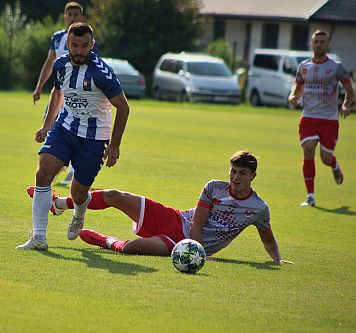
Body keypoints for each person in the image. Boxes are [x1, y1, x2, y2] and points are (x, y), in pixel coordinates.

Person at [26, 151, 293, 264]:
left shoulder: (258, 208)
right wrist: (199, 250)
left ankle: (105, 241)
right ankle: (59, 204)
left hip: (179, 245)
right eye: (233, 171)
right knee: (114, 195)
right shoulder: (214, 187)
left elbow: (267, 237)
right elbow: (197, 223)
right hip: (175, 222)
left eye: (242, 173)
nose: (235, 177)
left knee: (130, 249)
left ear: (252, 176)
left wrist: (278, 260)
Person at [16, 22, 130, 251]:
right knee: (43, 171)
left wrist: (115, 146)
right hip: (65, 127)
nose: (79, 51)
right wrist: (47, 125)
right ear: (67, 44)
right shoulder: (60, 65)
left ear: (92, 45)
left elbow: (124, 107)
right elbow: (58, 93)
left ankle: (79, 211)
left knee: (78, 192)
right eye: (75, 45)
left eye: (84, 46)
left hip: (94, 136)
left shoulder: (102, 73)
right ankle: (39, 237)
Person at [33, 2, 99, 186]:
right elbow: (49, 62)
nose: (72, 18)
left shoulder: (87, 40)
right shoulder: (57, 38)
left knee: (76, 132)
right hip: (59, 93)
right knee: (52, 129)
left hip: (79, 97)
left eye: (76, 15)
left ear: (81, 17)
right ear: (64, 17)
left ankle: (73, 174)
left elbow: (95, 67)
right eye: (69, 15)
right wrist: (39, 87)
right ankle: (56, 167)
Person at [288, 29, 354, 207]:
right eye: (316, 41)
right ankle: (310, 196)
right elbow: (298, 88)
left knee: (325, 158)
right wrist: (293, 97)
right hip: (308, 117)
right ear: (311, 44)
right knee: (308, 150)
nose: (318, 45)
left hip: (329, 119)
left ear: (328, 44)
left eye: (322, 42)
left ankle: (334, 165)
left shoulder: (336, 67)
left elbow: (350, 91)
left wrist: (346, 105)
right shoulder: (304, 66)